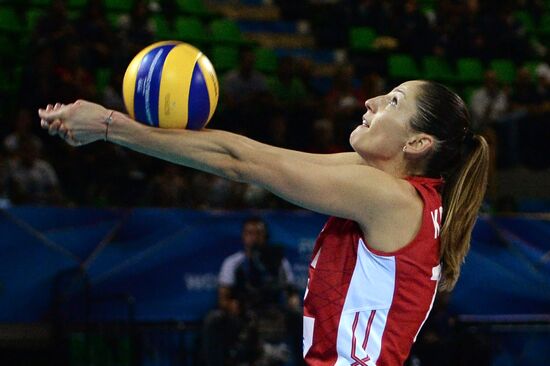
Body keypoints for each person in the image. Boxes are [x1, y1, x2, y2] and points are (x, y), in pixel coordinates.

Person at [39, 80, 489, 365]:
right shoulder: (387, 187)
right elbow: (253, 154)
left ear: (417, 142)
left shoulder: (390, 198)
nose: (370, 101)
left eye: (392, 101)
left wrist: (109, 125)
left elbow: (241, 163)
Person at [201, 217, 300, 366]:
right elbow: (223, 298)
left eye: (258, 233)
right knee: (213, 320)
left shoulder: (279, 262)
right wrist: (232, 305)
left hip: (273, 312)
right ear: (243, 236)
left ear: (265, 236)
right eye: (250, 233)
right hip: (243, 314)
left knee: (300, 317)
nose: (254, 237)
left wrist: (293, 302)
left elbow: (290, 292)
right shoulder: (233, 263)